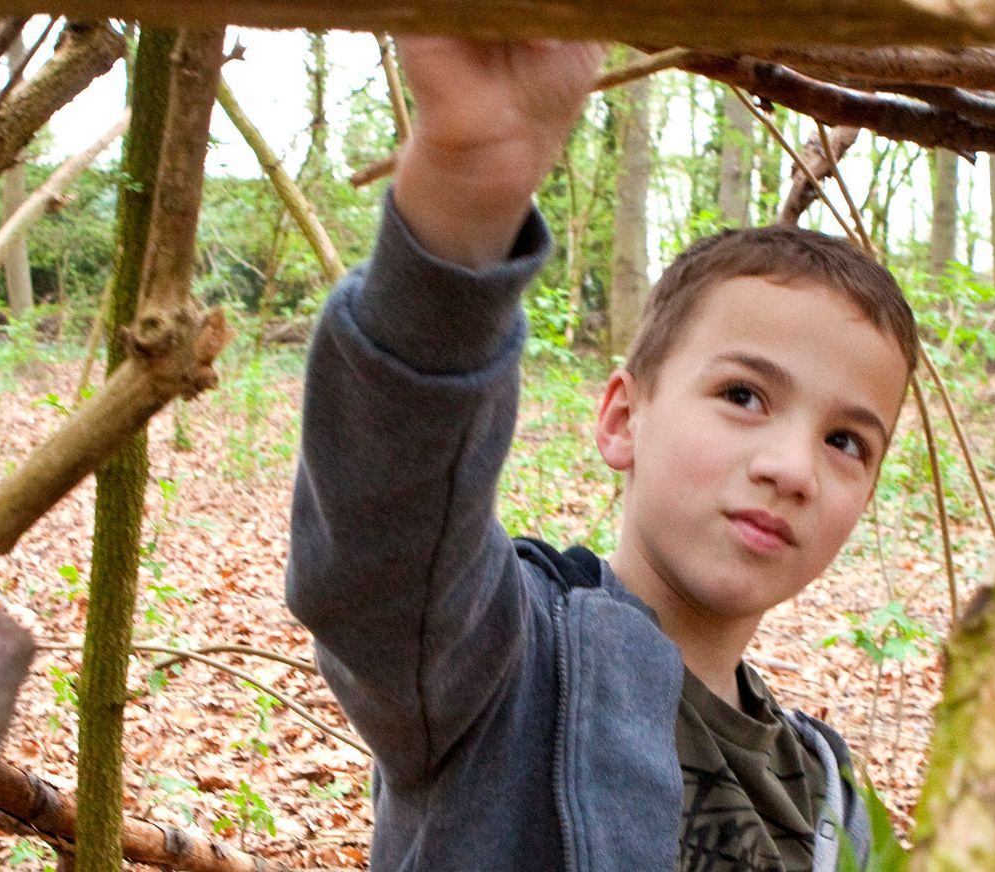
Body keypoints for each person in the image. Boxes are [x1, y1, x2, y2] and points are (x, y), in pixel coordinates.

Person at [286, 36, 918, 872]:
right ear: (624, 418)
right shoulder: (498, 668)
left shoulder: (834, 798)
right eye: (742, 396)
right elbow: (384, 540)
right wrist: (467, 196)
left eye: (846, 442)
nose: (792, 469)